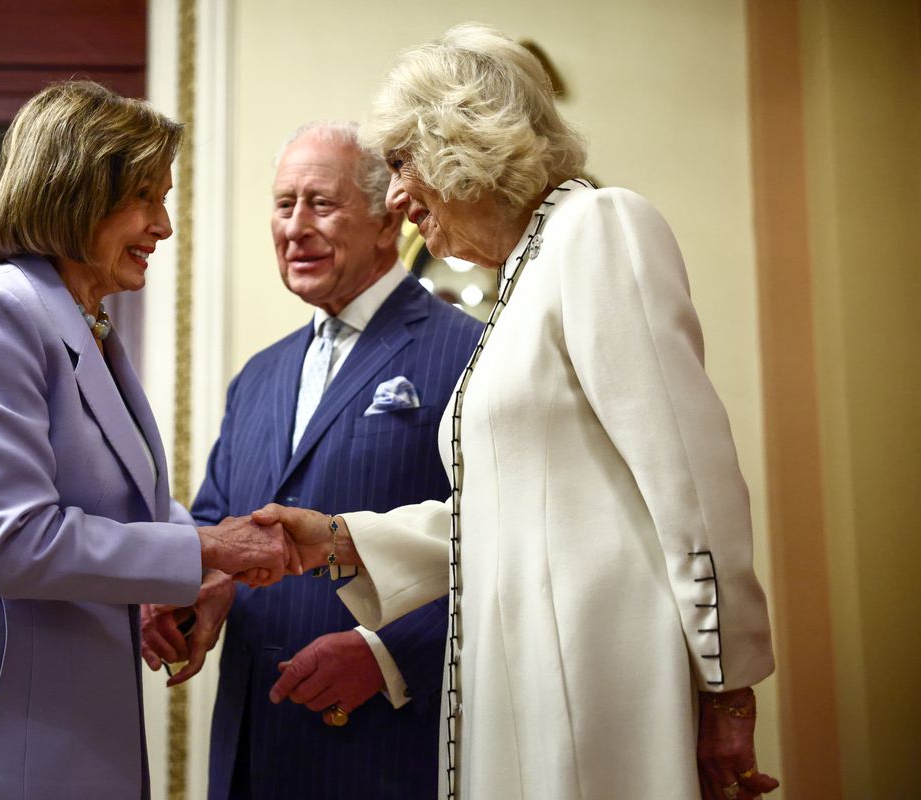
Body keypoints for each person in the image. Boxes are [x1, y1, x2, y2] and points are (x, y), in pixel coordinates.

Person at [259, 25, 780, 800]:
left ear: (459, 144)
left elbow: (691, 483)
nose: (396, 198)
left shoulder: (598, 228)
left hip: (598, 690)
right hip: (524, 686)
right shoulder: (523, 280)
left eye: (401, 164)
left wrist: (728, 686)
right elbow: (510, 506)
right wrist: (342, 539)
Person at [0, 80, 296, 800]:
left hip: (47, 717)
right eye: (146, 197)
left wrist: (193, 567)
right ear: (78, 191)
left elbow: (125, 503)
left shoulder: (85, 324)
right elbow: (18, 543)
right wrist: (206, 549)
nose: (164, 225)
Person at [140, 122, 482, 799]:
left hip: (387, 748)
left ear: (388, 221)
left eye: (320, 204)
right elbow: (220, 523)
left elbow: (500, 549)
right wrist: (201, 590)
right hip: (253, 747)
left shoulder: (468, 352)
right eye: (283, 203)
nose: (294, 227)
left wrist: (390, 658)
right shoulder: (258, 377)